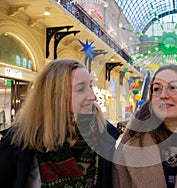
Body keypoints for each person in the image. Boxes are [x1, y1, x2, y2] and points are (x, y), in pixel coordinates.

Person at [0, 59, 120, 187]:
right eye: (81, 89)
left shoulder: (103, 135)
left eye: (90, 86)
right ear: (55, 95)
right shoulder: (18, 142)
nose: (93, 96)